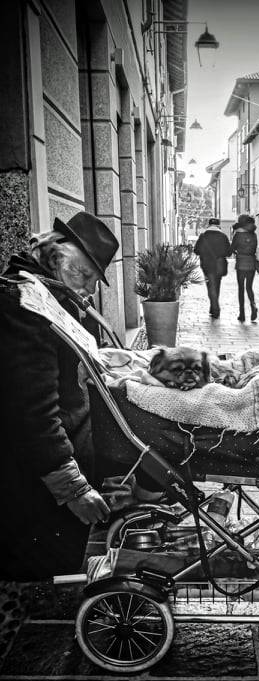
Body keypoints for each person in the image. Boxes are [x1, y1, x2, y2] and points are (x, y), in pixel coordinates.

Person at [0, 211, 119, 580]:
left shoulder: (52, 295)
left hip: (56, 462)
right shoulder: (22, 303)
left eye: (94, 280)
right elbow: (32, 410)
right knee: (29, 576)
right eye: (83, 274)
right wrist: (72, 488)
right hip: (37, 480)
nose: (88, 288)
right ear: (55, 250)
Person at [194, 217, 231, 319]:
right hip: (219, 265)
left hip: (207, 265)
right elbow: (229, 252)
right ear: (218, 225)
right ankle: (214, 306)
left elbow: (196, 251)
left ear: (209, 225)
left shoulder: (203, 236)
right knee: (216, 286)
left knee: (210, 286)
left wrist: (205, 253)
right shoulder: (223, 236)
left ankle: (214, 307)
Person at [230, 214, 258, 323]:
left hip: (241, 263)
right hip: (251, 263)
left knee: (241, 288)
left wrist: (236, 251)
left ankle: (242, 314)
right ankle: (253, 305)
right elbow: (254, 248)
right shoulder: (253, 235)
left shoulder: (237, 235)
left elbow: (231, 249)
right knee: (249, 287)